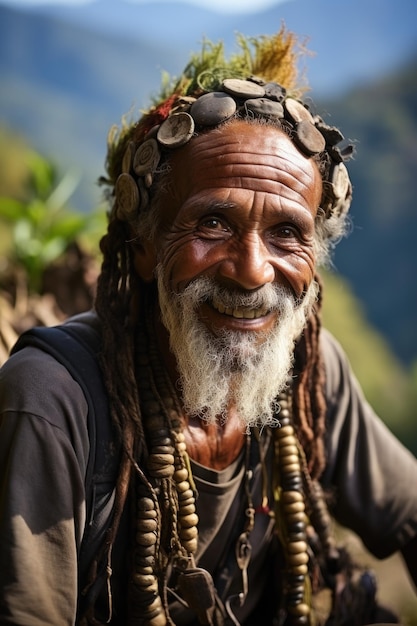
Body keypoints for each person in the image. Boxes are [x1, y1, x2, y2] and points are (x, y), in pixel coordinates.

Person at [0, 27, 416, 626]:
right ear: (145, 246)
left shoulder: (308, 372)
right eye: (213, 223)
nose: (252, 271)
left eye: (286, 234)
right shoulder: (52, 402)